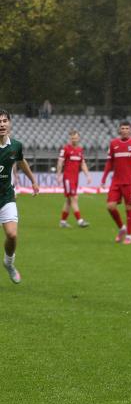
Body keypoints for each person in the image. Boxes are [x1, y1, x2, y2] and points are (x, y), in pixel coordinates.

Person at [0, 110, 40, 283]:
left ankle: (9, 263)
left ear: (10, 123)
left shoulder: (16, 146)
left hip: (6, 196)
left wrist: (33, 180)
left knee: (12, 235)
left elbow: (21, 161)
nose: (1, 124)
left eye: (4, 121)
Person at [100, 121, 131, 245]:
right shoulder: (113, 144)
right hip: (116, 181)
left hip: (129, 182)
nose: (125, 130)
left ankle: (129, 236)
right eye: (123, 128)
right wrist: (104, 178)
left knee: (128, 207)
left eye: (127, 128)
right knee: (110, 206)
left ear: (130, 130)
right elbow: (109, 162)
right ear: (119, 130)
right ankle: (122, 228)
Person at [56, 130, 91, 228]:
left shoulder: (80, 150)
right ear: (70, 139)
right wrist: (58, 175)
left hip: (75, 178)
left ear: (78, 138)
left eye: (75, 138)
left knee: (69, 200)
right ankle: (80, 220)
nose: (74, 140)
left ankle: (63, 222)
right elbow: (60, 162)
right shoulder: (65, 149)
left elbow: (82, 163)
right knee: (74, 198)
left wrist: (87, 175)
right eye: (72, 138)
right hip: (68, 178)